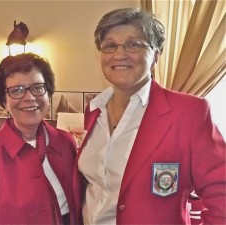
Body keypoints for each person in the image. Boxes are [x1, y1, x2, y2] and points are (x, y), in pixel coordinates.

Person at [75, 8, 226, 225]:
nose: (119, 54)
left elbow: (222, 197)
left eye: (133, 44)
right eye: (109, 45)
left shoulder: (189, 112)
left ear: (155, 56)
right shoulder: (93, 110)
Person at [0, 53, 81, 225]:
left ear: (48, 94)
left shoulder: (65, 142)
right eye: (16, 90)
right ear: (4, 102)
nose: (29, 98)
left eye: (37, 87)